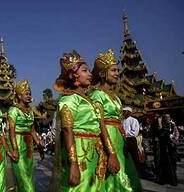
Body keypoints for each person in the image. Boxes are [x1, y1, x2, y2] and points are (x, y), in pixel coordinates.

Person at [49, 50, 119, 191]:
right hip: (80, 151)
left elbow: (100, 126)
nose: (90, 74)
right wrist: (73, 163)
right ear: (73, 75)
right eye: (85, 71)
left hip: (96, 151)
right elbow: (67, 130)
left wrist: (110, 153)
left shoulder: (90, 100)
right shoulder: (69, 99)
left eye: (89, 70)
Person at [89, 49, 137, 191]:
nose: (117, 73)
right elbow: (100, 124)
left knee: (126, 180)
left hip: (120, 140)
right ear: (103, 73)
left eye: (118, 70)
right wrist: (111, 152)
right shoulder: (97, 95)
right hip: (106, 141)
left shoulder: (116, 97)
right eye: (113, 70)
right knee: (111, 181)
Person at [8, 80, 41, 192]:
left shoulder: (30, 111)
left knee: (29, 174)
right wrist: (15, 149)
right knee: (23, 176)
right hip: (17, 141)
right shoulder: (13, 110)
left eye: (29, 93)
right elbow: (11, 131)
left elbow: (32, 129)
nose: (29, 96)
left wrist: (38, 142)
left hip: (29, 146)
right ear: (19, 95)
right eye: (26, 94)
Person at [155, 114, 179, 186]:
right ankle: (163, 180)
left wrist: (174, 141)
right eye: (165, 117)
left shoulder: (172, 124)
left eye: (168, 117)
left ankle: (173, 180)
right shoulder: (160, 125)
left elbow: (176, 134)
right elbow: (158, 134)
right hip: (163, 147)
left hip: (171, 147)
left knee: (172, 164)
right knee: (163, 163)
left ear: (170, 118)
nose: (166, 118)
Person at [123, 107, 141, 174]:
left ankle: (137, 171)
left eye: (125, 111)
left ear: (129, 112)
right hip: (124, 139)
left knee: (134, 156)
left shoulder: (134, 120)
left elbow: (135, 132)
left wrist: (124, 133)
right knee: (126, 156)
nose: (123, 113)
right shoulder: (122, 120)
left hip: (131, 140)